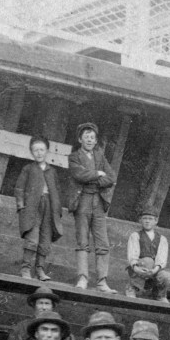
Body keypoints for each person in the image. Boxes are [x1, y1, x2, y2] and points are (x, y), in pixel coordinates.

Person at [68, 121, 117, 292]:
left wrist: (97, 179)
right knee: (82, 240)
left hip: (98, 200)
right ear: (80, 139)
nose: (89, 140)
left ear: (96, 141)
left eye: (92, 138)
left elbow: (110, 177)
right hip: (83, 201)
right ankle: (82, 278)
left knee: (102, 242)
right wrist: (97, 174)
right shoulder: (74, 157)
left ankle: (102, 282)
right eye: (86, 137)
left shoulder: (100, 157)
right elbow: (78, 174)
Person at [14, 137, 63, 280]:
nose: (39, 153)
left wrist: (57, 211)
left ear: (47, 151)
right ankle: (25, 269)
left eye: (42, 149)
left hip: (49, 207)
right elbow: (19, 188)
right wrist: (21, 206)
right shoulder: (28, 169)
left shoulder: (52, 171)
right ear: (31, 152)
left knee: (45, 239)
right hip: (32, 207)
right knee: (32, 238)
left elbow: (57, 191)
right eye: (36, 150)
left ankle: (40, 270)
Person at [1, 289, 80, 340]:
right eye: (40, 303)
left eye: (47, 304)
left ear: (52, 306)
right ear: (34, 305)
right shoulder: (22, 327)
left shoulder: (61, 328)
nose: (44, 307)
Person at [126, 209, 170, 301]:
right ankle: (132, 288)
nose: (147, 221)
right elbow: (132, 255)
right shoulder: (135, 235)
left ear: (156, 221)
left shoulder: (162, 239)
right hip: (139, 268)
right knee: (148, 261)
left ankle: (159, 294)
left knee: (166, 275)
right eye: (145, 218)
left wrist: (155, 270)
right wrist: (136, 267)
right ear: (140, 220)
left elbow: (161, 258)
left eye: (150, 219)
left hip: (154, 270)